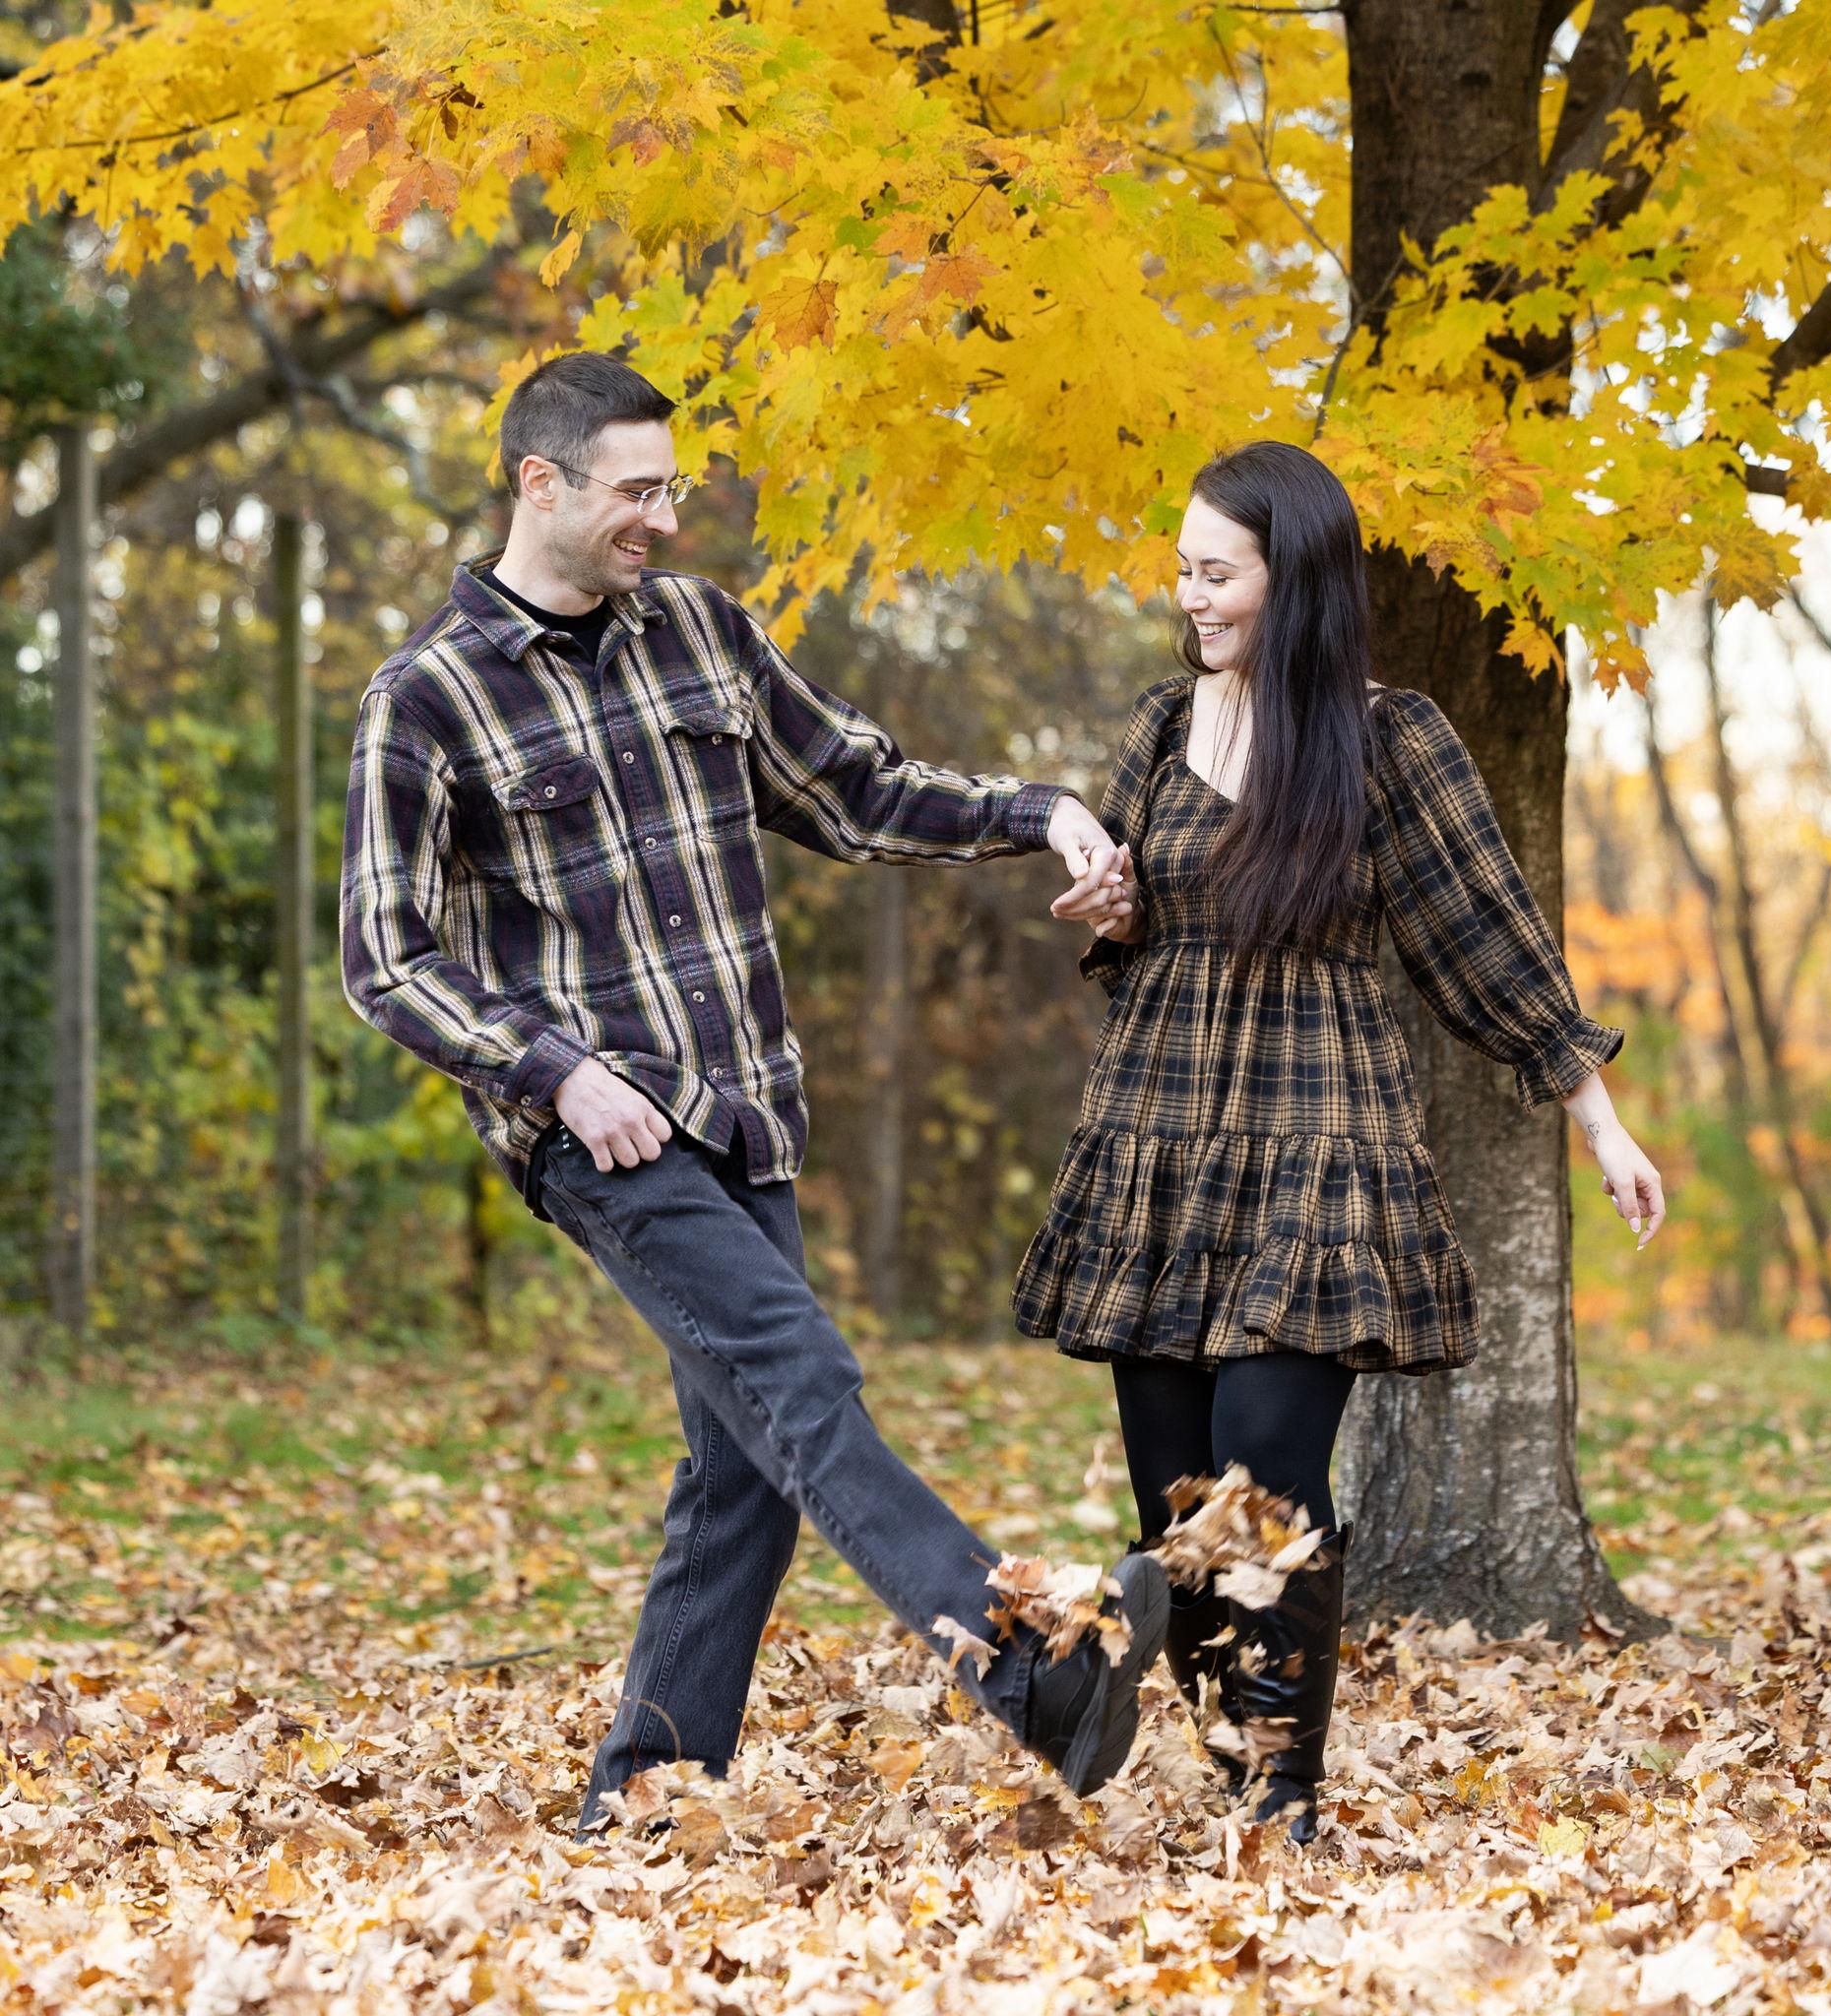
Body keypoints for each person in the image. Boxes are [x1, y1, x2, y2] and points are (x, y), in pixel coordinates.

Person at [339, 350, 1168, 1836]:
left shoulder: (703, 634)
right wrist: (559, 1075)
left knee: (744, 1477)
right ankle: (1024, 1668)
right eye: (636, 492)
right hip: (607, 1131)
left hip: (748, 1106)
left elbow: (859, 791)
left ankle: (644, 1801)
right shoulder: (428, 699)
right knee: (799, 1376)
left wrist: (1044, 811)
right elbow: (385, 957)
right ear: (541, 482)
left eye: (672, 488)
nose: (664, 518)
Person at [1018, 440, 1666, 1842]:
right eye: (1182, 569)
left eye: (1217, 573)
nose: (1188, 595)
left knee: (1263, 1463)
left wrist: (1599, 1117)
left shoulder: (1390, 740)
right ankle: (1223, 1748)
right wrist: (1113, 910)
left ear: (1294, 576)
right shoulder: (1158, 723)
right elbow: (1127, 915)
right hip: (1161, 1132)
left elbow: (1485, 936)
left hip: (1318, 1129)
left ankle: (1282, 1789)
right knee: (1178, 1501)